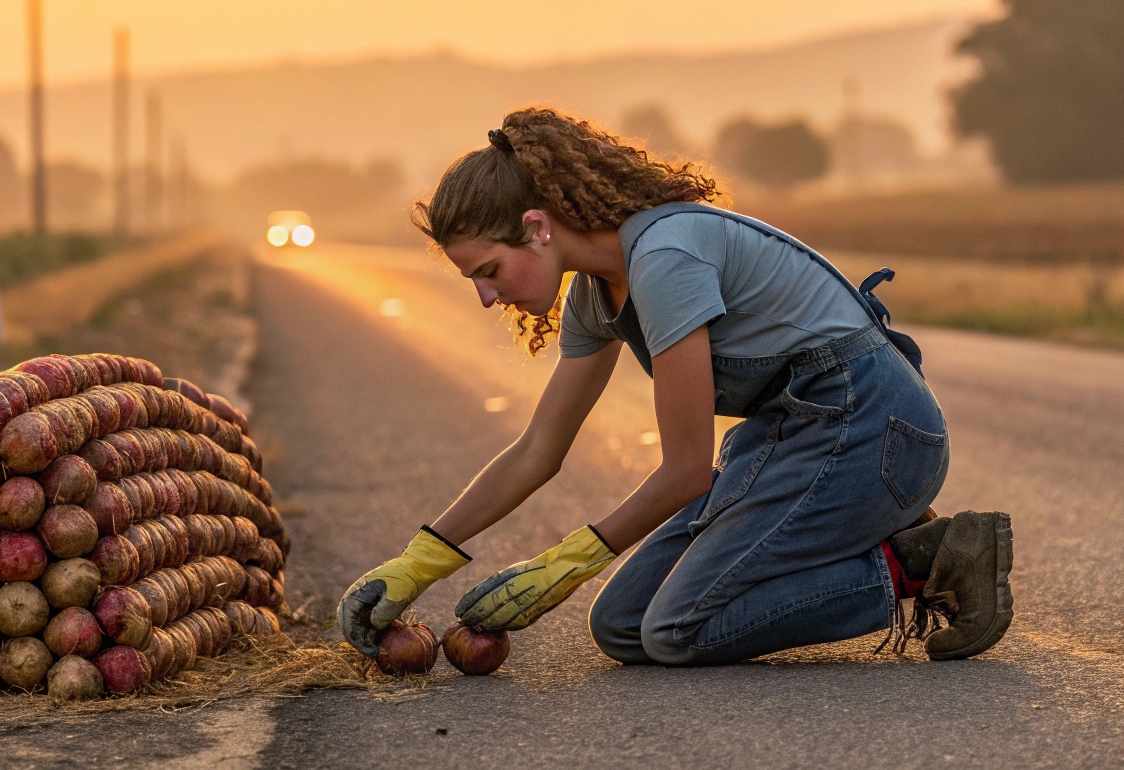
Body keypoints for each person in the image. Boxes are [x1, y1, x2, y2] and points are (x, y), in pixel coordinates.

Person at [338, 108, 1013, 666]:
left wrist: (566, 561)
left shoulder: (664, 257)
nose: (487, 297)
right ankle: (855, 535)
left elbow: (688, 470)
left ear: (537, 228)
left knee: (678, 629)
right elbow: (538, 449)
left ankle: (918, 562)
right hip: (791, 439)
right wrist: (417, 562)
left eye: (488, 270)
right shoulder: (595, 298)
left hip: (873, 430)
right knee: (625, 626)